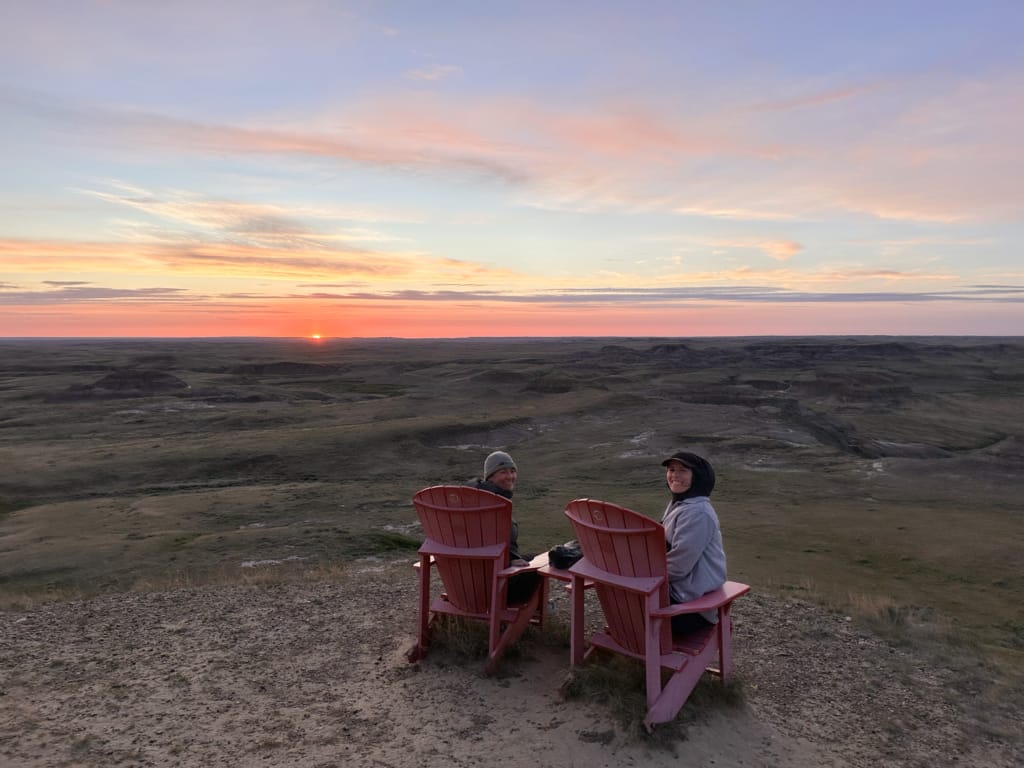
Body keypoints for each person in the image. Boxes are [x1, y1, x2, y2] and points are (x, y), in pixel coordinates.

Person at [660, 450, 727, 635]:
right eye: (672, 469)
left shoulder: (698, 513)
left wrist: (641, 575)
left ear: (697, 476)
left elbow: (678, 567)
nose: (675, 475)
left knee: (627, 594)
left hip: (691, 608)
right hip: (678, 594)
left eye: (683, 470)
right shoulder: (681, 504)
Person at [469, 450, 541, 605]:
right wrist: (507, 563)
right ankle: (533, 611)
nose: (510, 477)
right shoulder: (491, 505)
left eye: (513, 471)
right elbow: (481, 543)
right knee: (543, 563)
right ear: (490, 477)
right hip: (497, 585)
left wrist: (511, 559)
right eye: (503, 472)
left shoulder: (475, 498)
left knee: (535, 556)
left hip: (467, 583)